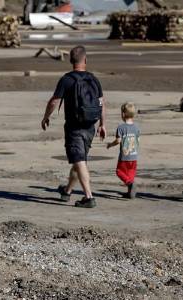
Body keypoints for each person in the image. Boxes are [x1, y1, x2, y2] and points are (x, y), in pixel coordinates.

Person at [41, 45, 105, 209]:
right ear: (85, 60)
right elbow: (101, 103)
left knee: (79, 160)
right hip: (91, 125)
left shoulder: (67, 79)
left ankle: (89, 197)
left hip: (74, 127)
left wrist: (45, 117)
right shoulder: (93, 78)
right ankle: (67, 191)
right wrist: (102, 124)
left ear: (70, 61)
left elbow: (54, 101)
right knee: (79, 161)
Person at [106, 102, 140, 199]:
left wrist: (110, 145)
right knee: (130, 174)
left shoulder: (121, 128)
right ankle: (130, 192)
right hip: (134, 156)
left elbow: (118, 140)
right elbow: (138, 140)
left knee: (119, 171)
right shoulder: (137, 127)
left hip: (124, 157)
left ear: (123, 114)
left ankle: (130, 184)